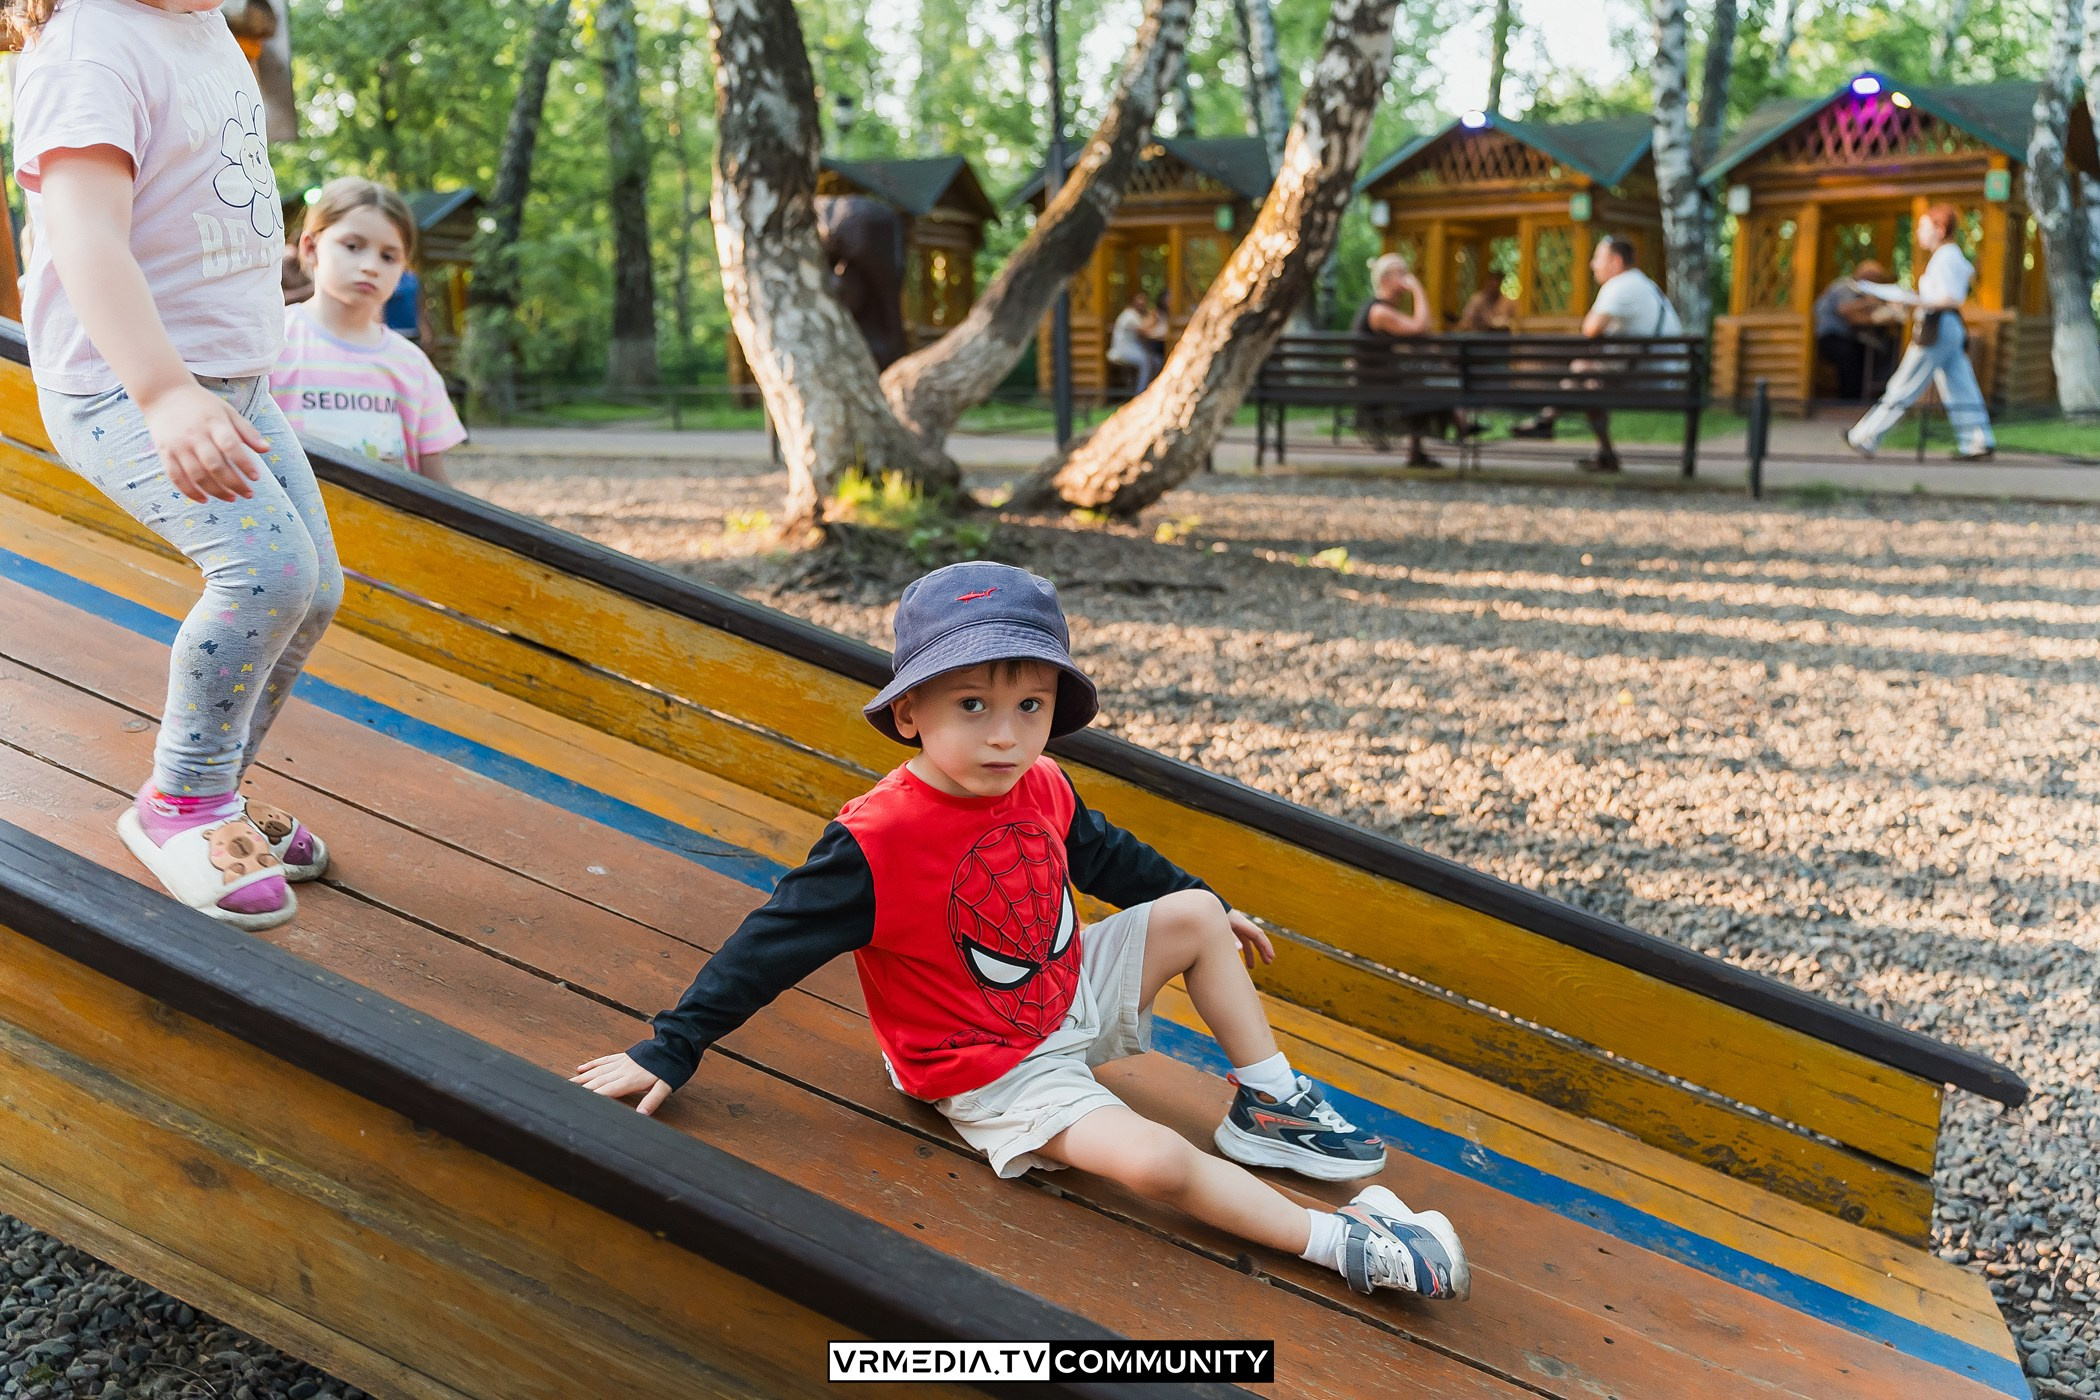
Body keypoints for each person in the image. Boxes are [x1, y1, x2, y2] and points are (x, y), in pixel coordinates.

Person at [574, 562, 1472, 1304]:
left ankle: (1269, 1104)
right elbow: (766, 945)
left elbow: (1108, 857)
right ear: (909, 712)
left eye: (1031, 708)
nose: (1007, 737)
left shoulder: (1039, 782)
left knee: (1197, 912)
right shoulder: (875, 842)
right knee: (1156, 1161)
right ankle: (1343, 1243)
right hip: (983, 1060)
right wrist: (672, 1046)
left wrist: (1198, 899)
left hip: (1061, 986)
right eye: (973, 707)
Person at [15, 0, 337, 930]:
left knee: (312, 589)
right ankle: (181, 803)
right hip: (127, 386)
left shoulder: (200, 23)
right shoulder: (88, 46)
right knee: (266, 575)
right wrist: (162, 393)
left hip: (230, 380)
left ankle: (219, 797)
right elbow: (86, 240)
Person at [270, 178, 465, 485]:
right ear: (310, 248)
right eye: (353, 246)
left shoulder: (412, 366)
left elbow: (436, 485)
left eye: (388, 256)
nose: (371, 266)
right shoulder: (271, 343)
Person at [1510, 235, 1682, 473]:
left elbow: (1590, 329)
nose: (1593, 264)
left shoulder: (1619, 286)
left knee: (1584, 371)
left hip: (1650, 379)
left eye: (1598, 258)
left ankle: (1546, 422)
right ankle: (1601, 452)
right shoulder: (1644, 284)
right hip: (1665, 375)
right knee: (1589, 378)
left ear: (1616, 261)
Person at [1845, 206, 1995, 461]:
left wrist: (1912, 300)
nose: (1918, 233)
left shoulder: (1946, 257)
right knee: (1960, 385)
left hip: (1937, 327)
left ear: (1939, 229)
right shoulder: (1950, 256)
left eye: (1923, 227)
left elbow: (1948, 299)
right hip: (1947, 327)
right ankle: (1978, 441)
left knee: (1905, 382)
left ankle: (1865, 437)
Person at [1353, 252, 1448, 468]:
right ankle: (1460, 422)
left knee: (1429, 381)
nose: (1407, 276)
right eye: (1401, 273)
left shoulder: (1382, 309)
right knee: (1430, 385)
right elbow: (1422, 327)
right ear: (1385, 279)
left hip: (1383, 379)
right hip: (1377, 384)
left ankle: (1420, 450)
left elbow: (1418, 331)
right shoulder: (1379, 312)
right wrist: (1417, 289)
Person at [1812, 259, 1901, 401]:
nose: (1877, 282)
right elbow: (1845, 311)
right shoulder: (1846, 286)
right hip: (1829, 336)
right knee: (1851, 355)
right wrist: (1872, 304)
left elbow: (1860, 318)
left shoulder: (1860, 291)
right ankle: (1850, 400)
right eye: (1875, 279)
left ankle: (1864, 396)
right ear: (1866, 276)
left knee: (1872, 350)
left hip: (1846, 337)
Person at [1107, 290, 1167, 392]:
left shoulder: (1137, 315)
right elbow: (1143, 330)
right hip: (1122, 350)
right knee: (1146, 362)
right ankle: (1140, 392)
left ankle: (1152, 390)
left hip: (1133, 348)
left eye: (1144, 299)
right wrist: (1153, 318)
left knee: (1157, 361)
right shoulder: (1129, 315)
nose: (1142, 302)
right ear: (1133, 300)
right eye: (1139, 299)